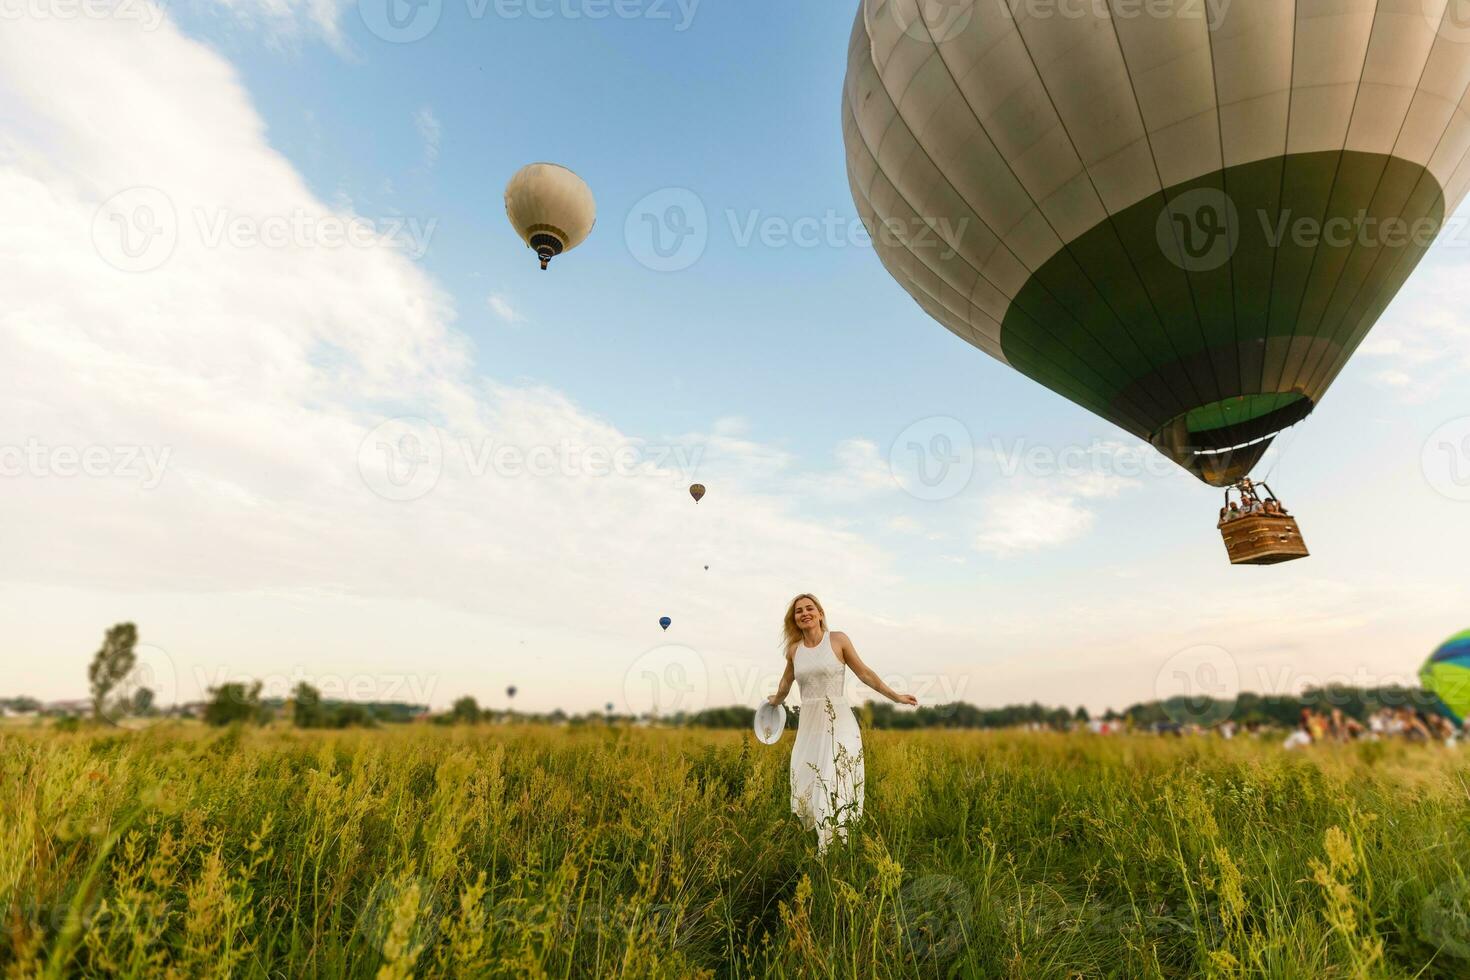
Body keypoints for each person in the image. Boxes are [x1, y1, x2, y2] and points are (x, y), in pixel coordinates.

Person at [767, 594, 917, 851]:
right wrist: (774, 701)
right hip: (810, 724)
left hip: (839, 720)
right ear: (794, 619)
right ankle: (816, 835)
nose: (804, 613)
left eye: (809, 608)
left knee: (835, 776)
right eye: (798, 611)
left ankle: (835, 844)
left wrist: (897, 697)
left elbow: (865, 673)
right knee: (805, 775)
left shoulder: (837, 640)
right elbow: (785, 683)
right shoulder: (794, 650)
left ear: (820, 613)